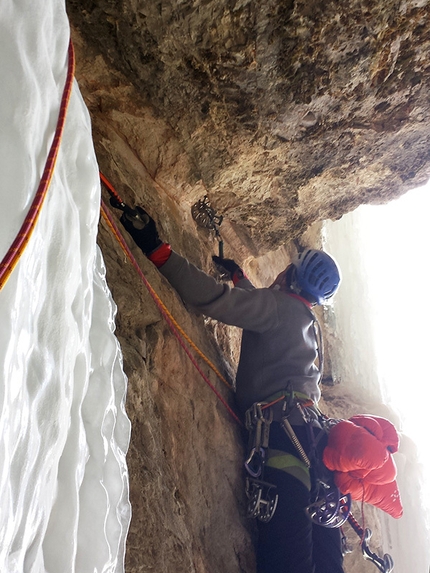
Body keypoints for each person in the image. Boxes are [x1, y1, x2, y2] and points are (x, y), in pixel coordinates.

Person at [117, 205, 368, 573]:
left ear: (289, 275)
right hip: (314, 449)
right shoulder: (306, 322)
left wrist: (159, 251)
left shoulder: (278, 307)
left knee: (289, 564)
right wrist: (240, 276)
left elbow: (215, 299)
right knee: (327, 563)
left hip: (285, 442)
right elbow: (264, 312)